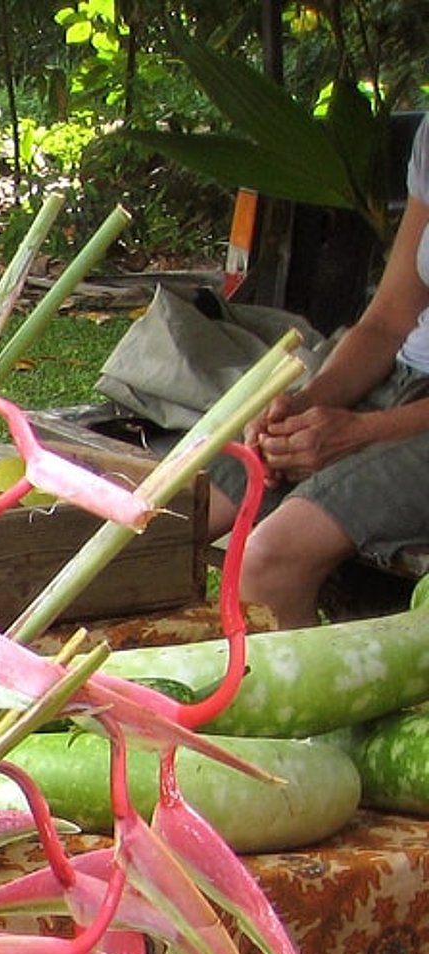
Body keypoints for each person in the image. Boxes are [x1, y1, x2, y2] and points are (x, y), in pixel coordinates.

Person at [206, 114, 429, 629]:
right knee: (177, 515)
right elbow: (389, 319)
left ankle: (302, 711)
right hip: (402, 379)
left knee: (271, 560)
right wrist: (305, 405)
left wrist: (363, 434)